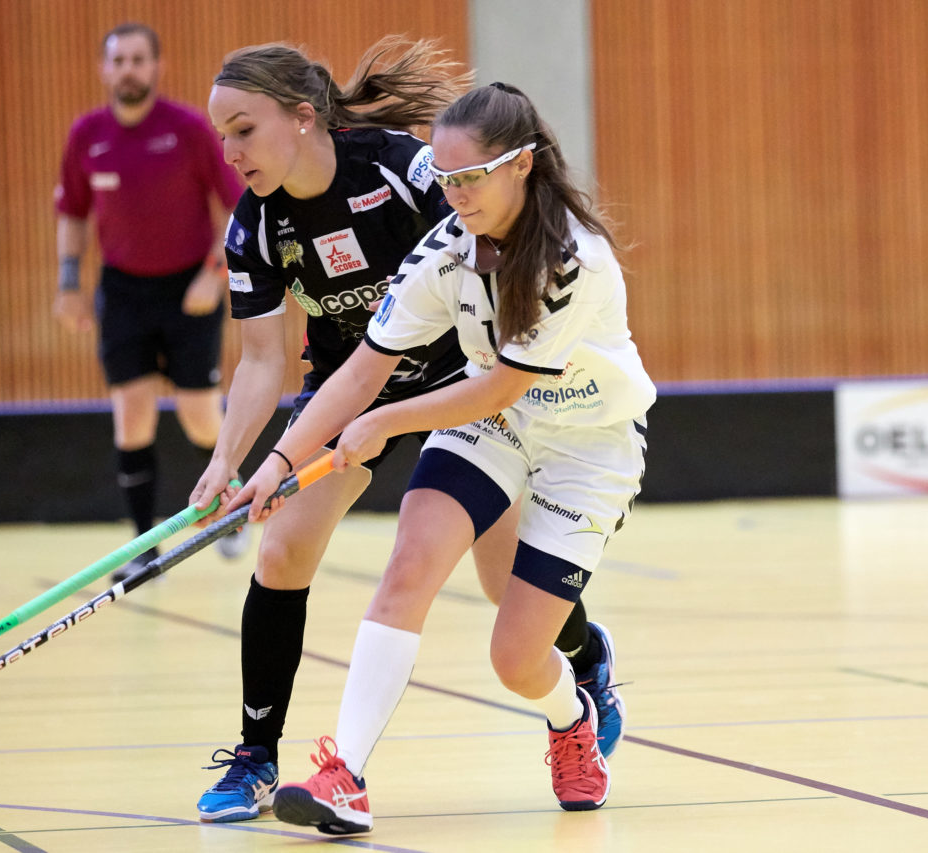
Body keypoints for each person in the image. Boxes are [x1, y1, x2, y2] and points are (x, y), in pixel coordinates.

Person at [192, 44, 624, 824]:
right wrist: (259, 462)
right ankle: (317, 768)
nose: (231, 154)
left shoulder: (478, 210)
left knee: (510, 609)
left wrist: (379, 419)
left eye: (243, 130)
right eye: (222, 135)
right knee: (326, 555)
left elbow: (499, 382)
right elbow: (347, 369)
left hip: (497, 400)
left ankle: (582, 670)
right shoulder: (270, 225)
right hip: (391, 396)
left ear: (301, 116)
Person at [53, 22, 248, 579]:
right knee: (132, 417)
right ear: (104, 70)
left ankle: (232, 509)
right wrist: (69, 284)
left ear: (157, 68)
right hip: (123, 291)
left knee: (198, 419)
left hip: (189, 289)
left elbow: (238, 207)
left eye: (139, 59)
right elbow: (72, 211)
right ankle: (144, 550)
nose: (129, 70)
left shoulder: (187, 129)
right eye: (119, 60)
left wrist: (214, 273)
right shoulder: (87, 135)